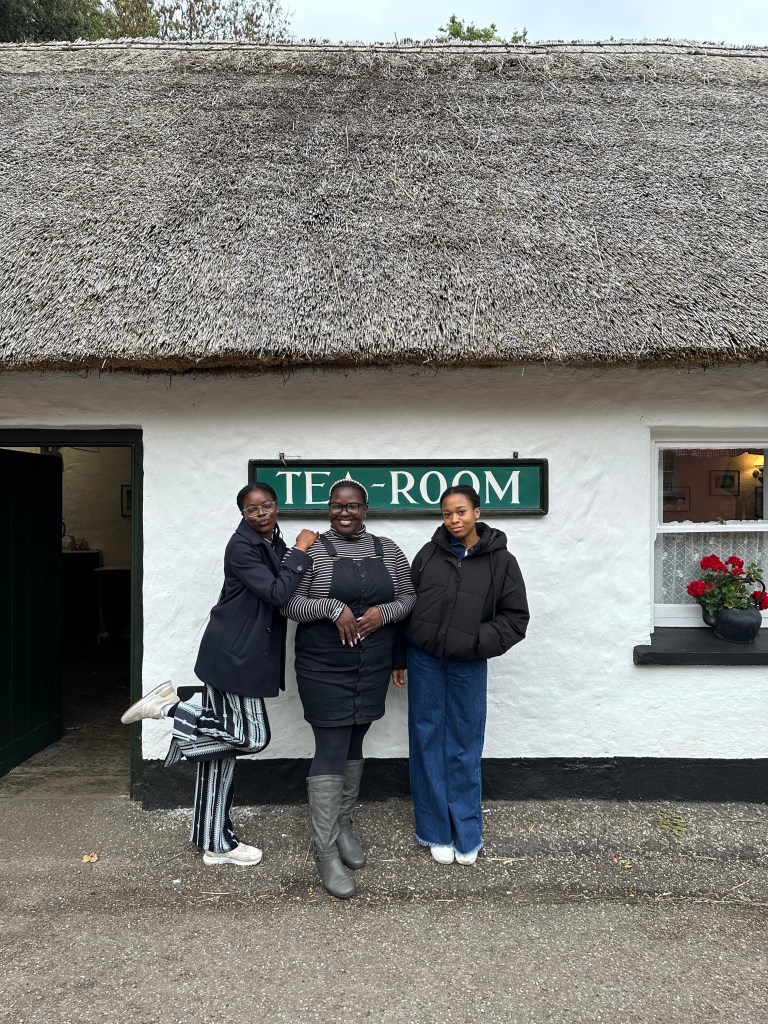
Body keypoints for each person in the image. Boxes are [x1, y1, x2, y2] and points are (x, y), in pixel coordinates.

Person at [120, 483, 318, 866]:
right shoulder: (241, 546)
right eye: (252, 509)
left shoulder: (270, 544)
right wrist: (301, 551)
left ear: (276, 508)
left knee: (219, 756)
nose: (261, 513)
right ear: (242, 514)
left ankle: (214, 842)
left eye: (267, 506)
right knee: (253, 737)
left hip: (238, 655)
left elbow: (287, 588)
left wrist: (295, 555)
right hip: (234, 656)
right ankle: (171, 709)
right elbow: (278, 594)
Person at [284, 479, 416, 898]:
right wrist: (331, 607)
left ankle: (342, 826)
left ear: (365, 509)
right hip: (324, 663)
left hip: (371, 661)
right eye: (338, 506)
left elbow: (410, 597)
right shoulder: (313, 550)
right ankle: (324, 852)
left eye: (354, 506)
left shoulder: (387, 549)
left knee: (357, 736)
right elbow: (288, 602)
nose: (346, 513)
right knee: (331, 744)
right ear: (328, 508)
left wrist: (383, 613)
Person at [407, 484, 529, 866]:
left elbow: (515, 618)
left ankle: (466, 830)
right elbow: (406, 607)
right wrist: (400, 657)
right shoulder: (428, 554)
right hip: (424, 659)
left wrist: (474, 641)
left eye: (460, 511)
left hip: (468, 663)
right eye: (446, 513)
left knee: (464, 742)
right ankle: (434, 830)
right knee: (426, 739)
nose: (454, 519)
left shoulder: (502, 561)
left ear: (477, 511)